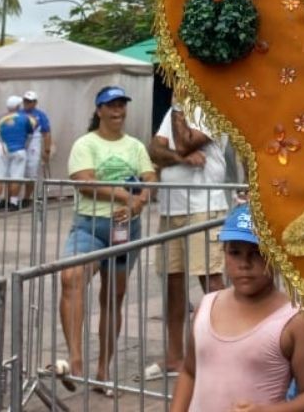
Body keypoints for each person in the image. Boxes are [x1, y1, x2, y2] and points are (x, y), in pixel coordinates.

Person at [171, 205, 304, 412]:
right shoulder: (207, 306)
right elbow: (189, 372)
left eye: (256, 253)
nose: (244, 264)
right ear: (224, 253)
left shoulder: (297, 321)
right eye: (235, 253)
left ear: (277, 255)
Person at [52, 85, 157, 392]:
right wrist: (126, 195)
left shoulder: (135, 146)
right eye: (111, 105)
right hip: (90, 226)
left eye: (122, 105)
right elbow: (84, 182)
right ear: (99, 110)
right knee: (71, 277)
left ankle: (102, 370)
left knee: (113, 297)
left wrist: (140, 200)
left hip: (125, 231)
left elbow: (150, 177)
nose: (117, 111)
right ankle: (76, 360)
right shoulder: (85, 144)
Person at [151, 102, 231, 383]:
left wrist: (176, 109)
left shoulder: (211, 107)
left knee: (211, 281)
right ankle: (174, 356)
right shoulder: (175, 110)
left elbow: (186, 142)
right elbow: (155, 150)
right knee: (172, 280)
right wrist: (180, 159)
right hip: (171, 206)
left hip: (203, 206)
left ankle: (225, 356)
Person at [0, 95, 36, 213]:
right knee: (16, 177)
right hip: (19, 149)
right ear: (18, 106)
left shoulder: (0, 119)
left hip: (3, 149)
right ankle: (13, 202)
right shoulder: (26, 118)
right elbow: (30, 132)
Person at [20, 89, 52, 207]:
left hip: (34, 146)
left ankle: (26, 198)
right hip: (20, 145)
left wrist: (47, 150)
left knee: (31, 172)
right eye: (25, 101)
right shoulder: (19, 113)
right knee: (17, 172)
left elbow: (46, 133)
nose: (27, 103)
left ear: (35, 102)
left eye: (30, 101)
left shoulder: (40, 115)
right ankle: (12, 199)